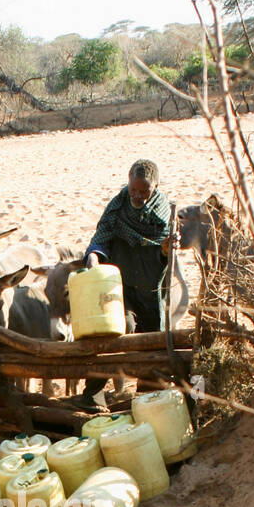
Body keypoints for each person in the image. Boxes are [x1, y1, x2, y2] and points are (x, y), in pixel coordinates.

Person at [77, 158, 179, 406]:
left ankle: (147, 397)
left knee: (152, 342)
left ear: (155, 187)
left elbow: (164, 254)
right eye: (133, 189)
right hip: (119, 286)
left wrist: (168, 248)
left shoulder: (163, 214)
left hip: (151, 290)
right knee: (116, 329)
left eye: (144, 191)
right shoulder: (118, 206)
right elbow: (102, 237)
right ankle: (93, 394)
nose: (137, 196)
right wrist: (94, 255)